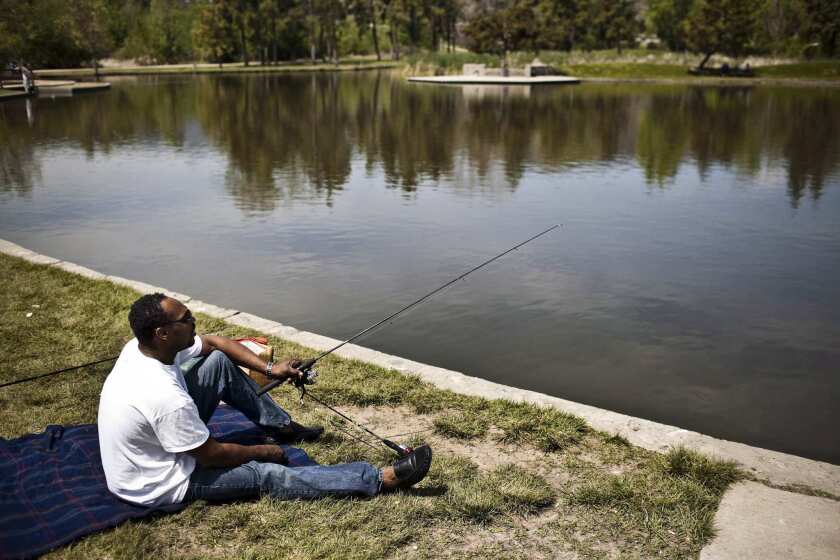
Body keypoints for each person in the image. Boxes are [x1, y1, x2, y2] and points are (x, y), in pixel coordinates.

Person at [98, 293, 432, 507]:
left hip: (154, 448)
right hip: (157, 484)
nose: (193, 320)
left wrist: (272, 369)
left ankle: (281, 426)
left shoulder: (141, 347)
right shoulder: (165, 397)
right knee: (266, 473)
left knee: (216, 362)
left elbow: (215, 343)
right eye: (185, 319)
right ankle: (380, 478)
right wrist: (262, 452)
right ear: (163, 333)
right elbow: (212, 456)